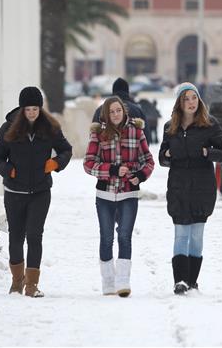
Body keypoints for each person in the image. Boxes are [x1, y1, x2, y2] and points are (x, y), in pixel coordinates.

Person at [0, 86, 73, 298]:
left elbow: (66, 150)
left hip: (40, 191)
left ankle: (32, 285)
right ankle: (17, 281)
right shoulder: (8, 128)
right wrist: (9, 170)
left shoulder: (50, 128)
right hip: (14, 192)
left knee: (35, 236)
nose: (32, 113)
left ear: (40, 108)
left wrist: (55, 163)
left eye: (35, 109)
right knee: (16, 238)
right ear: (22, 109)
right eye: (28, 109)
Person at [159, 82, 222, 295]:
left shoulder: (209, 125)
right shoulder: (169, 127)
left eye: (194, 98)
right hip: (178, 187)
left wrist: (207, 153)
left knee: (197, 235)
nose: (191, 102)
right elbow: (162, 158)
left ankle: (192, 281)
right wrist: (166, 155)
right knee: (181, 233)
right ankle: (180, 281)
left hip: (202, 188)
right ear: (179, 103)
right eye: (186, 99)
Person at [84, 96, 154, 298]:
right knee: (106, 237)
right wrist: (112, 169)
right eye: (111, 112)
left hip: (128, 193)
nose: (115, 114)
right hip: (105, 193)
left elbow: (148, 160)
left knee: (124, 236)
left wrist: (140, 176)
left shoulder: (136, 131)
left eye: (118, 110)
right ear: (106, 114)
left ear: (124, 111)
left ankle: (123, 281)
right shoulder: (98, 134)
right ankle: (108, 280)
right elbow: (89, 165)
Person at [92, 77, 152, 142]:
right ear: (127, 91)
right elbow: (146, 137)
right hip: (133, 151)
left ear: (113, 91)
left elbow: (94, 135)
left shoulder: (101, 109)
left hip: (106, 151)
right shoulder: (137, 110)